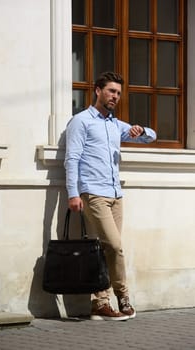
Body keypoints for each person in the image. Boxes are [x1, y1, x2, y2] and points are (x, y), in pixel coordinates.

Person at [64, 71, 156, 321]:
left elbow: (150, 137)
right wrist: (73, 193)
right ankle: (122, 296)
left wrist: (141, 130)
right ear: (97, 90)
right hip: (93, 193)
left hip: (116, 194)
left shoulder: (115, 124)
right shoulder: (81, 121)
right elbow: (71, 159)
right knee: (115, 246)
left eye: (118, 93)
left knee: (107, 248)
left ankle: (100, 303)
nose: (115, 96)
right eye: (111, 91)